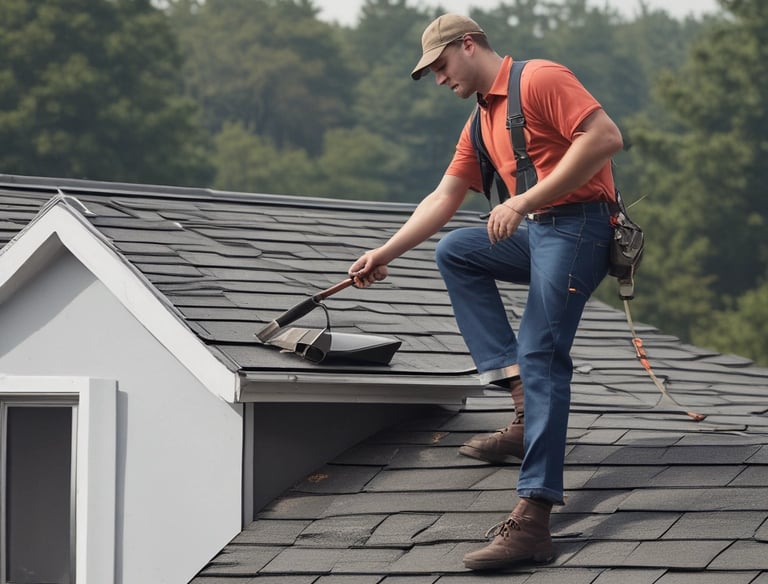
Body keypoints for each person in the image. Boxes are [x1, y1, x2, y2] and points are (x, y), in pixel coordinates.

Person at [348, 13, 624, 571]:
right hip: (541, 234)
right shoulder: (479, 121)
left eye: (442, 66)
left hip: (581, 229)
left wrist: (520, 202)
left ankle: (534, 519)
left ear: (468, 45)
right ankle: (522, 403)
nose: (441, 79)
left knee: (543, 353)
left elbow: (605, 138)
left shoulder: (541, 78)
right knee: (456, 251)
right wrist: (384, 253)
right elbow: (442, 198)